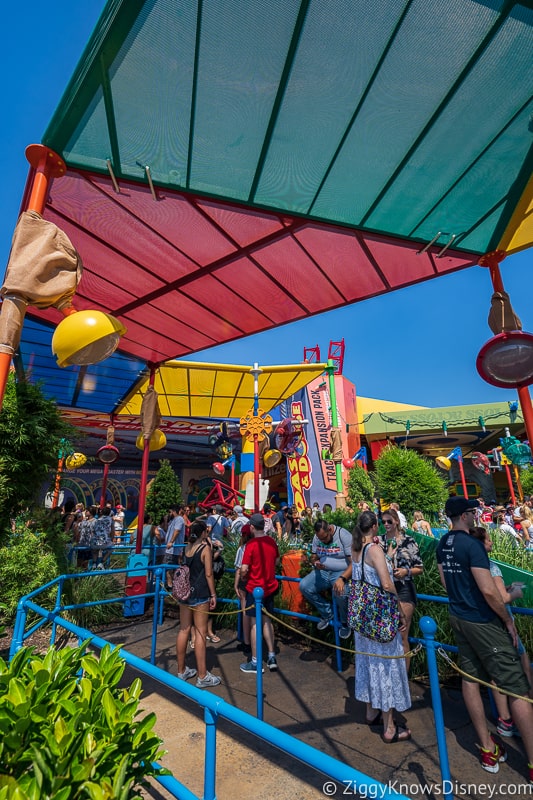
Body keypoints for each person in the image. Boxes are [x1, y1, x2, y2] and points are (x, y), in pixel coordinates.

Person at [436, 496, 533, 777]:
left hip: (459, 617)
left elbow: (445, 582)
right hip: (482, 620)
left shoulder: (444, 544)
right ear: (464, 516)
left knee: (471, 679)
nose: (475, 516)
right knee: (517, 687)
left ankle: (488, 750)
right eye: (472, 512)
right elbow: (490, 591)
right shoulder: (472, 545)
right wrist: (507, 621)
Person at [334, 510, 411, 742]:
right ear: (375, 526)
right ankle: (389, 728)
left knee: (368, 662)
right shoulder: (374, 549)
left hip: (362, 618)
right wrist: (399, 610)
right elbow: (386, 584)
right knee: (385, 667)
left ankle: (370, 711)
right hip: (379, 618)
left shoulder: (356, 548)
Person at [470, 525, 532, 736]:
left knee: (496, 672)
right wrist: (515, 592)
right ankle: (519, 715)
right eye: (488, 540)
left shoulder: (469, 564)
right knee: (522, 666)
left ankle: (504, 718)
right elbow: (501, 598)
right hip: (501, 623)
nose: (491, 542)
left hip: (483, 623)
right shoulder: (491, 567)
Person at [175, 520, 221, 688]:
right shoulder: (205, 549)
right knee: (201, 633)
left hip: (185, 594)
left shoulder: (186, 548)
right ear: (203, 533)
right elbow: (209, 574)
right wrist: (213, 594)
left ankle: (181, 670)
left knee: (184, 629)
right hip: (200, 594)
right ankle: (202, 675)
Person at [382, 508, 423, 670]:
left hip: (404, 587)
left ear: (396, 521)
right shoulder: (379, 542)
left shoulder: (409, 541)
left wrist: (406, 571)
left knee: (402, 634)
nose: (386, 524)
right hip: (384, 589)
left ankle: (403, 679)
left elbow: (419, 568)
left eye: (389, 521)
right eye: (383, 522)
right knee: (386, 634)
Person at [239, 513, 280, 674]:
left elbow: (244, 568)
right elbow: (277, 561)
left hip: (254, 589)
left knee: (255, 624)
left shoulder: (251, 545)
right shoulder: (271, 541)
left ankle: (255, 661)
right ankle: (271, 655)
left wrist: (243, 576)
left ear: (252, 527)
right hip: (269, 586)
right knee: (267, 620)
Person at [299, 520, 352, 639]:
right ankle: (327, 613)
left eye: (325, 537)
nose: (323, 541)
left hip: (341, 572)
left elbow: (354, 563)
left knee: (341, 592)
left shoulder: (344, 536)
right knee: (304, 586)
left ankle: (345, 622)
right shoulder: (317, 537)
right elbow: (313, 556)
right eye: (320, 539)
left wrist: (343, 578)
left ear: (330, 530)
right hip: (322, 571)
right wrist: (315, 562)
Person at [234, 522, 253, 658]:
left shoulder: (242, 548)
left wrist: (235, 585)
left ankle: (247, 643)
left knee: (246, 612)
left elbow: (239, 569)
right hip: (258, 582)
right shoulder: (259, 546)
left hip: (245, 582)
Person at [164, 506, 186, 588]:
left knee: (169, 568)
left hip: (173, 549)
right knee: (168, 568)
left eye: (170, 512)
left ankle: (171, 586)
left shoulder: (179, 519)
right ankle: (171, 585)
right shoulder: (173, 520)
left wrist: (171, 542)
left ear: (174, 511)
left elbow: (177, 531)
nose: (169, 514)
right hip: (169, 549)